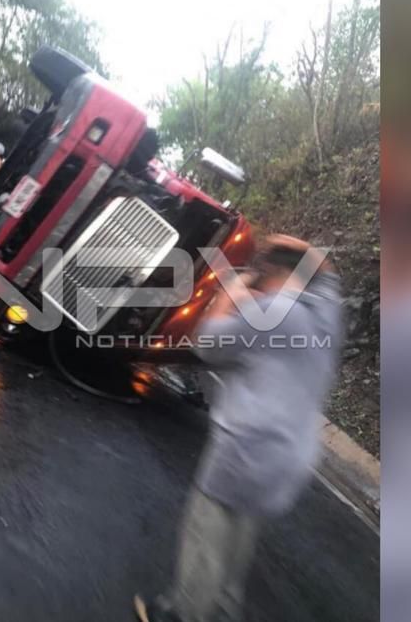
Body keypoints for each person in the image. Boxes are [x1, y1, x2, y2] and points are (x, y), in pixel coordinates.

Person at [134, 235, 344, 622]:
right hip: (292, 456)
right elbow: (329, 276)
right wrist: (307, 252)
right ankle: (224, 611)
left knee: (207, 533)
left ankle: (182, 614)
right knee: (241, 531)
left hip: (247, 449)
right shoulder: (324, 312)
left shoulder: (269, 312)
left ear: (273, 274)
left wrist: (229, 294)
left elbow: (206, 344)